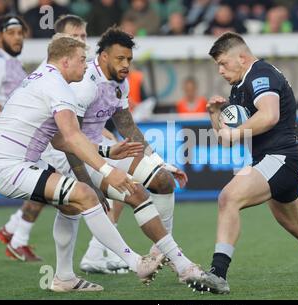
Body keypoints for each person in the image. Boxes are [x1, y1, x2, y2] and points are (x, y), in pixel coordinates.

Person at [0, 34, 164, 292]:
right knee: (85, 193)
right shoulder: (57, 86)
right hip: (10, 167)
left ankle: (64, 278)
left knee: (71, 205)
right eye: (82, 60)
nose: (86, 65)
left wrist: (107, 149)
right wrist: (107, 170)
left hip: (14, 163)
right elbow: (72, 136)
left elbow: (60, 140)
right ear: (66, 61)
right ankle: (137, 263)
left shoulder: (43, 78)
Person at [191, 32, 298, 294]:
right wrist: (214, 115)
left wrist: (235, 131)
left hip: (281, 158)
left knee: (228, 198)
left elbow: (269, 116)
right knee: (295, 224)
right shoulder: (239, 87)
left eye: (223, 63)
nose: (220, 70)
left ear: (241, 58)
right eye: (217, 65)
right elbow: (226, 141)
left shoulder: (261, 75)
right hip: (276, 162)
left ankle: (218, 274)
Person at [68, 27, 209, 284]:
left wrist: (159, 161)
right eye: (120, 59)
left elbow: (126, 126)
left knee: (164, 180)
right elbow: (70, 138)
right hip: (75, 155)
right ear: (103, 57)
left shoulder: (121, 82)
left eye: (129, 60)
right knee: (134, 194)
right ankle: (178, 262)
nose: (126, 65)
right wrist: (90, 186)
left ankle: (159, 249)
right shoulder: (85, 84)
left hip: (101, 148)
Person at [0, 14, 89, 262]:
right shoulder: (53, 75)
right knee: (61, 190)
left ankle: (15, 231)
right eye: (74, 36)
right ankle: (19, 238)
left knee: (54, 191)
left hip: (40, 140)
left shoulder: (76, 71)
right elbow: (70, 132)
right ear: (59, 39)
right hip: (32, 142)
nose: (80, 41)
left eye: (83, 36)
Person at [0, 15, 44, 260]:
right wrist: (10, 116)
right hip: (1, 136)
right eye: (12, 32)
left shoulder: (12, 61)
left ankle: (12, 231)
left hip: (14, 136)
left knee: (47, 181)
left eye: (20, 32)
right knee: (46, 181)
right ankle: (16, 238)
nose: (18, 37)